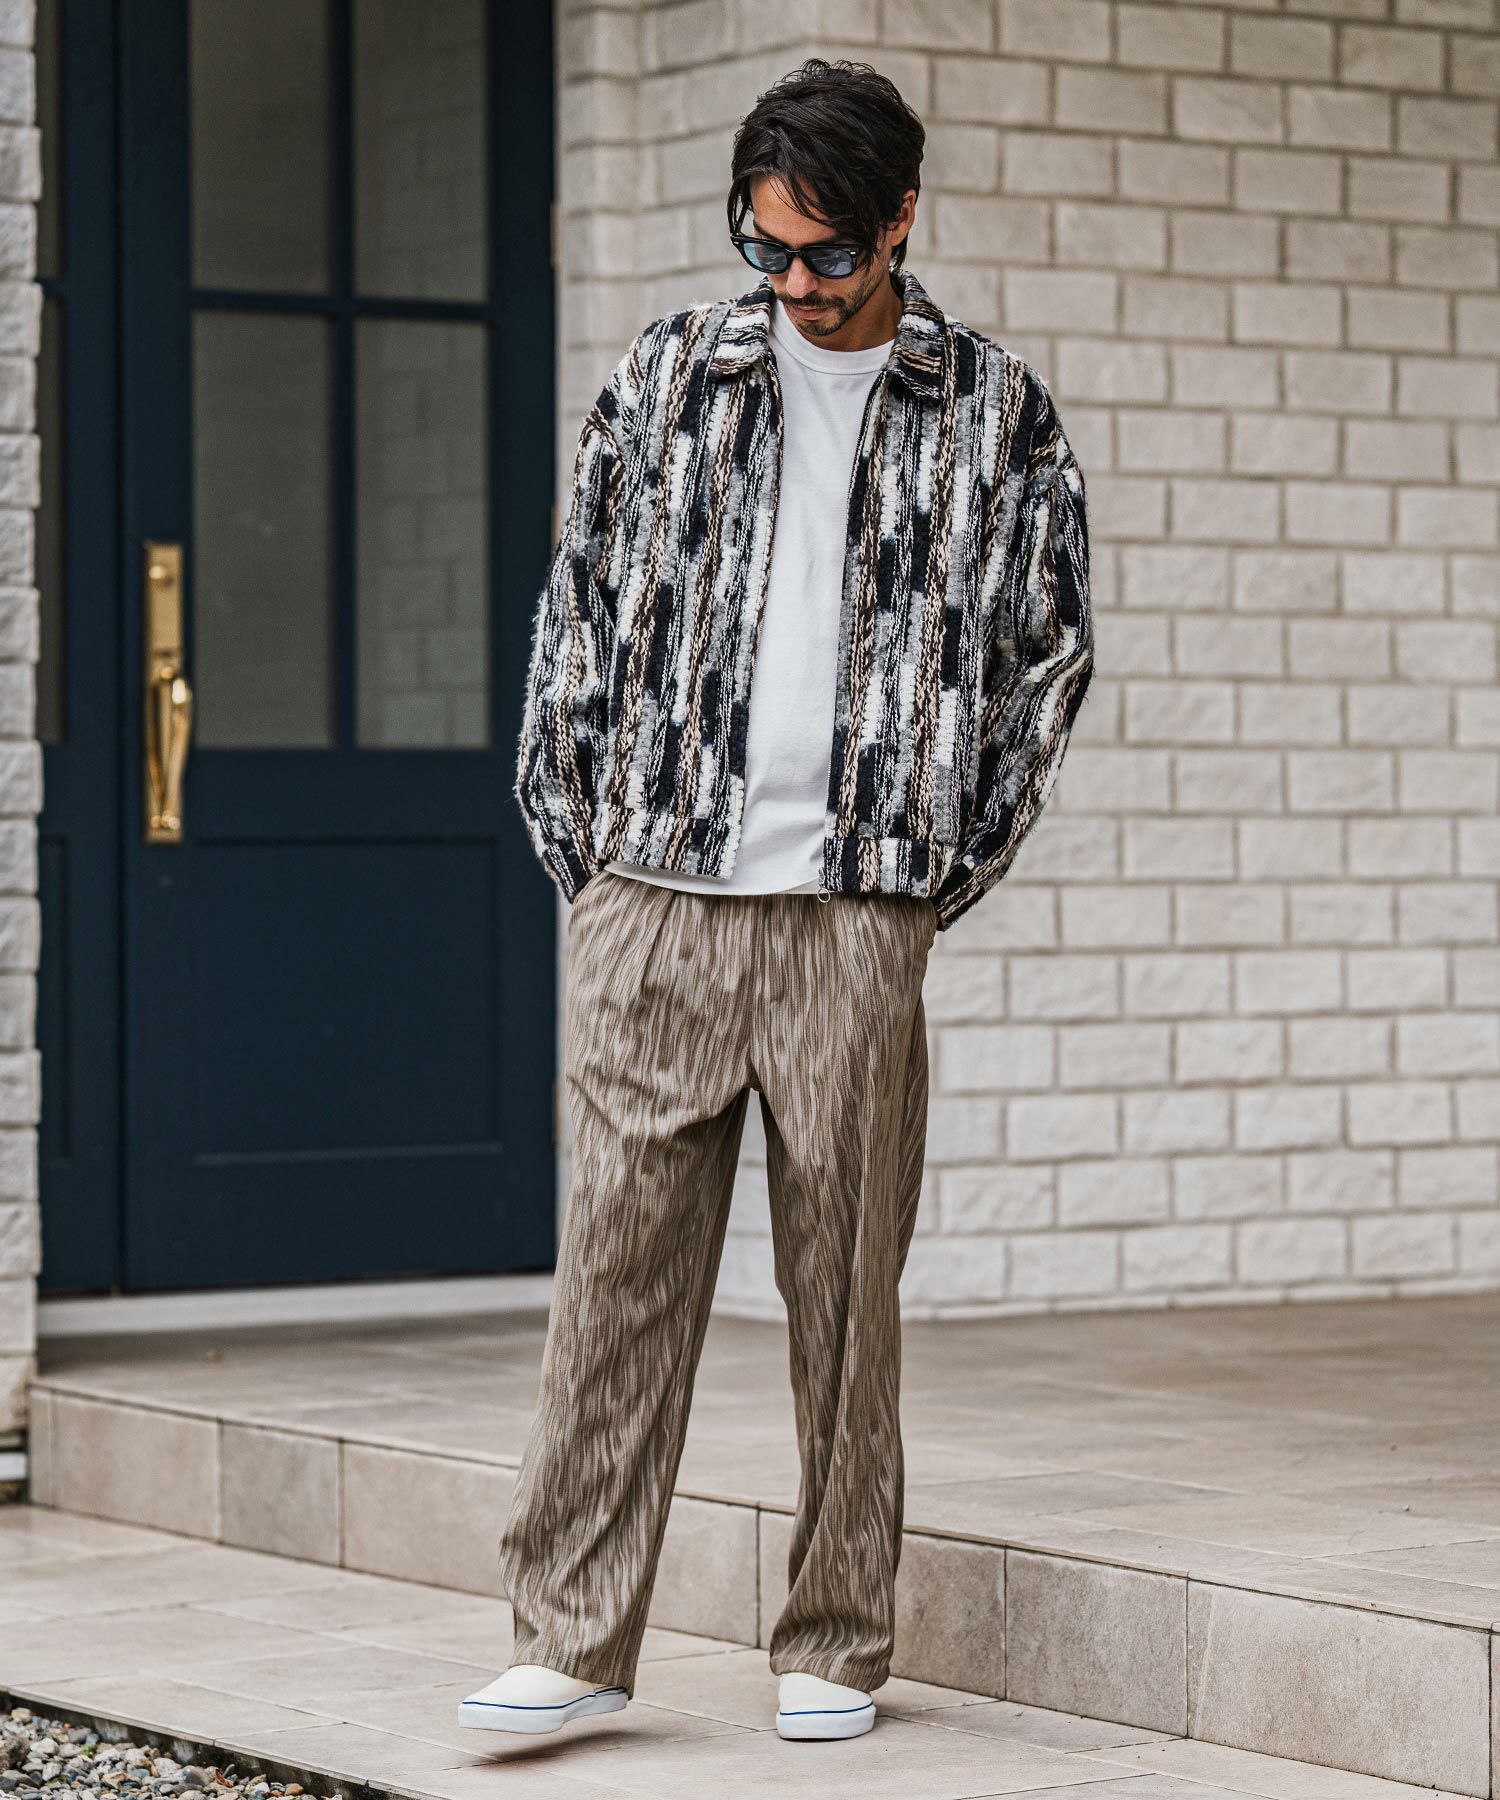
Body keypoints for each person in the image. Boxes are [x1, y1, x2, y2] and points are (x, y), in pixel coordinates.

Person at [459, 56, 1093, 1746]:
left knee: (845, 1296)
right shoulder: (670, 374)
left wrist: (932, 876)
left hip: (853, 917)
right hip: (656, 899)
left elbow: (1045, 660)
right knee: (613, 1285)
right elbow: (577, 610)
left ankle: (835, 1637)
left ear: (902, 221)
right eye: (766, 249)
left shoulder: (998, 414)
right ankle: (570, 1640)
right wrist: (590, 858)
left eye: (830, 253)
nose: (797, 285)